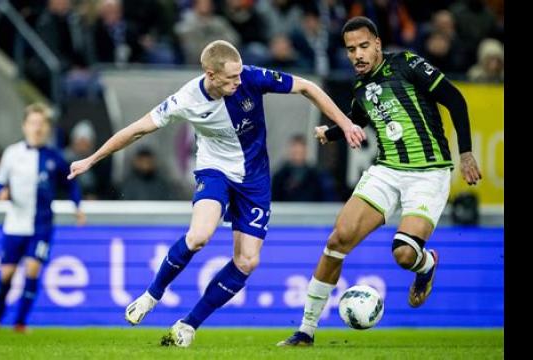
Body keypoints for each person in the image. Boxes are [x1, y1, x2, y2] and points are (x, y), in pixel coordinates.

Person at [67, 39, 365, 347]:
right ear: (210, 74)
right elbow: (136, 129)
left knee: (247, 261)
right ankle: (151, 295)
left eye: (239, 75)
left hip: (255, 179)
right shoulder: (186, 99)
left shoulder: (251, 77)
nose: (239, 81)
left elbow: (307, 87)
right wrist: (91, 159)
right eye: (230, 78)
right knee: (199, 236)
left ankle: (188, 325)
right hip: (215, 171)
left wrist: (344, 124)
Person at [277, 16, 482, 346]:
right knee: (337, 241)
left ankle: (426, 265)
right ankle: (306, 331)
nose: (356, 54)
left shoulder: (407, 64)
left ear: (376, 44)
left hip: (428, 172)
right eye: (350, 49)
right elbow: (359, 119)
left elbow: (455, 98)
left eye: (362, 46)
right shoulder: (360, 87)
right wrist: (332, 133)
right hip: (386, 171)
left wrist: (467, 152)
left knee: (404, 255)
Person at [0, 103, 86, 333]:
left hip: (41, 226)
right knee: (6, 274)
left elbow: (71, 184)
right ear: (24, 126)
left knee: (32, 270)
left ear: (48, 128)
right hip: (15, 224)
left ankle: (20, 322)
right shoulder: (12, 154)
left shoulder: (54, 158)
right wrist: (1, 191)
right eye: (33, 123)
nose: (37, 128)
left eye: (41, 124)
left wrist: (77, 206)